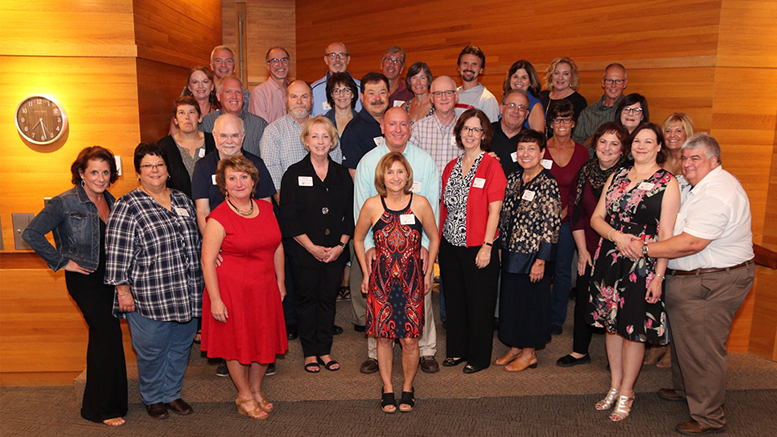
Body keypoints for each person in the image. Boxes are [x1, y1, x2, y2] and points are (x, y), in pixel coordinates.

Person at [629, 133, 754, 436]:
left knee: (702, 350)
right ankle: (686, 390)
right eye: (684, 158)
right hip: (697, 280)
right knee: (686, 341)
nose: (687, 164)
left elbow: (690, 243)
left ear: (714, 160)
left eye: (695, 158)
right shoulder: (694, 184)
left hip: (712, 281)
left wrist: (644, 249)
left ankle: (709, 417)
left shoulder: (718, 193)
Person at [22, 146, 127, 427]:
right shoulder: (65, 202)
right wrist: (61, 261)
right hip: (84, 279)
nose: (101, 178)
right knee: (106, 333)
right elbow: (31, 233)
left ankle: (108, 403)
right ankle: (100, 409)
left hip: (109, 278)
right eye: (94, 171)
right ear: (81, 173)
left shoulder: (112, 200)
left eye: (106, 172)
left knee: (109, 335)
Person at [587, 123, 680, 422]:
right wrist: (617, 236)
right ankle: (615, 385)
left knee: (633, 330)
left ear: (659, 147)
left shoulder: (668, 182)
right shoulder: (617, 175)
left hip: (643, 265)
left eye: (648, 141)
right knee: (612, 326)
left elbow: (666, 233)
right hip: (611, 259)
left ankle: (628, 391)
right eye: (637, 140)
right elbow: (596, 218)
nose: (641, 146)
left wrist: (659, 275)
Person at [105, 142, 204, 420]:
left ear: (167, 169)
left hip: (186, 291)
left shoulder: (183, 200)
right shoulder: (128, 204)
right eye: (147, 166)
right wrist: (123, 291)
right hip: (149, 295)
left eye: (159, 164)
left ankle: (172, 393)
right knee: (151, 351)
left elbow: (198, 239)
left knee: (181, 347)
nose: (154, 170)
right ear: (138, 172)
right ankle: (152, 397)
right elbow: (116, 250)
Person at [353, 108, 441, 375]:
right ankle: (375, 353)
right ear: (382, 127)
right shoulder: (368, 162)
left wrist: (425, 244)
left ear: (410, 127)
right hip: (379, 245)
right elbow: (363, 207)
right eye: (392, 124)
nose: (398, 129)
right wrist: (368, 246)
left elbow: (431, 207)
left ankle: (425, 350)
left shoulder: (424, 161)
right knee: (379, 303)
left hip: (415, 246)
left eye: (404, 124)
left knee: (419, 298)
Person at [200, 154, 288, 420]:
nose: (239, 183)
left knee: (264, 338)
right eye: (232, 178)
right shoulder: (218, 217)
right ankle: (243, 395)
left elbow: (277, 245)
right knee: (236, 343)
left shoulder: (268, 209)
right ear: (224, 185)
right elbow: (207, 260)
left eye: (244, 177)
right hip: (231, 290)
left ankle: (256, 389)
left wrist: (280, 282)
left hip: (264, 287)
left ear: (253, 181)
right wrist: (215, 299)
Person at [191, 113, 277, 376]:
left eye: (234, 135)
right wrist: (213, 247)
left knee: (257, 315)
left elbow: (268, 210)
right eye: (223, 135)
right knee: (232, 316)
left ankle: (258, 354)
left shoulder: (257, 163)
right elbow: (202, 210)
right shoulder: (204, 167)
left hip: (257, 254)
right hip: (224, 252)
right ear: (214, 137)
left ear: (243, 136)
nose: (229, 140)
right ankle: (233, 358)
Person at [280, 117, 353, 373]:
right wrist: (311, 247)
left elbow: (350, 214)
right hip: (304, 251)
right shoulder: (293, 174)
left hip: (335, 251)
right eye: (315, 136)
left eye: (325, 137)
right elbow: (289, 217)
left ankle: (325, 349)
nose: (320, 142)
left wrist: (341, 246)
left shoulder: (342, 175)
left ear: (332, 141)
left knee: (327, 300)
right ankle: (309, 352)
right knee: (307, 299)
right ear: (306, 140)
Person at [556, 122, 630, 368]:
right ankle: (579, 351)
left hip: (620, 249)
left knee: (618, 301)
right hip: (588, 244)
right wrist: (583, 251)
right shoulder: (585, 171)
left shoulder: (629, 175)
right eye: (603, 142)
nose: (607, 148)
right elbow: (576, 213)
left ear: (623, 150)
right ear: (595, 145)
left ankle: (617, 357)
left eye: (614, 143)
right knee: (585, 297)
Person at [439, 108, 506, 374]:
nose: (470, 133)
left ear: (484, 134)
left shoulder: (491, 165)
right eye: (466, 128)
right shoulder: (450, 167)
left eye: (476, 129)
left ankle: (478, 357)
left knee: (479, 303)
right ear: (459, 132)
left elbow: (495, 210)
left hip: (479, 246)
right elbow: (445, 206)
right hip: (450, 245)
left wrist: (488, 246)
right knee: (455, 300)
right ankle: (456, 350)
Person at [495, 129, 561, 372]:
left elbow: (551, 225)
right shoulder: (513, 178)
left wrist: (542, 260)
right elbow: (504, 217)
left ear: (542, 152)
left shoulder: (548, 183)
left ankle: (529, 353)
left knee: (531, 304)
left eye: (532, 149)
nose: (525, 153)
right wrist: (502, 247)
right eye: (521, 148)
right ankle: (514, 346)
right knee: (512, 303)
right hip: (511, 253)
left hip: (533, 257)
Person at [642, 112, 696, 370]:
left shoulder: (693, 164)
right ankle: (657, 344)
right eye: (669, 131)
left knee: (676, 297)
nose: (673, 136)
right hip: (657, 234)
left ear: (688, 135)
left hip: (683, 235)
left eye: (679, 131)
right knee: (657, 295)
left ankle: (672, 348)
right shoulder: (658, 161)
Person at [544, 100, 589, 336]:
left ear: (573, 124)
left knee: (562, 271)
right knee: (540, 266)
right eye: (557, 119)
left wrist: (561, 215)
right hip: (540, 221)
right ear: (551, 123)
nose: (562, 124)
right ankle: (538, 313)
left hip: (567, 221)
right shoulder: (540, 148)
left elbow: (579, 190)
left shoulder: (582, 153)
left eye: (567, 120)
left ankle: (556, 318)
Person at [158, 96, 216, 198]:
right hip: (177, 206)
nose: (187, 117)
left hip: (211, 205)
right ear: (175, 120)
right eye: (181, 113)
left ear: (200, 117)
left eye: (191, 112)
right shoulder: (164, 146)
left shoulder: (214, 141)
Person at [200, 75, 268, 157]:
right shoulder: (206, 123)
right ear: (218, 96)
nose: (234, 96)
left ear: (243, 96)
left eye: (238, 92)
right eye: (228, 92)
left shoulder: (259, 126)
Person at [341, 72, 390, 175]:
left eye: (382, 92)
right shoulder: (353, 131)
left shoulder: (394, 125)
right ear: (362, 97)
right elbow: (355, 176)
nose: (377, 98)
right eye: (371, 93)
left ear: (389, 94)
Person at [410, 76, 460, 176]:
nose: (444, 98)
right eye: (438, 94)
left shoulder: (466, 129)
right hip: (426, 191)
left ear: (456, 96)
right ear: (431, 98)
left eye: (449, 93)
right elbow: (410, 165)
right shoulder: (418, 129)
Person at [572, 64, 628, 148]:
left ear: (625, 84)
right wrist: (597, 137)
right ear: (603, 83)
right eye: (609, 81)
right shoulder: (587, 113)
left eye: (618, 81)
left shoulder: (632, 111)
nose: (613, 85)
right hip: (592, 160)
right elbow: (576, 146)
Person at [310, 42, 363, 116]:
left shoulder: (362, 89)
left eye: (342, 55)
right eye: (333, 55)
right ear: (326, 60)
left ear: (348, 60)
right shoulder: (313, 90)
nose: (337, 59)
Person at [489, 89, 530, 177]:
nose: (516, 111)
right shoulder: (484, 133)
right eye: (511, 105)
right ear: (501, 109)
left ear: (526, 114)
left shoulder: (531, 140)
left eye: (521, 107)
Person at [454, 45, 499, 122]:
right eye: (465, 63)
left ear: (481, 70)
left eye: (474, 64)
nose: (469, 68)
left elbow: (490, 132)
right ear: (459, 67)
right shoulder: (452, 94)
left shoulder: (487, 100)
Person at [248, 46, 290, 124]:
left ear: (289, 63)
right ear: (268, 66)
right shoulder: (259, 93)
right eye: (275, 61)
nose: (280, 64)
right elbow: (260, 129)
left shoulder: (295, 91)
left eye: (284, 60)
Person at [501, 60, 545, 132]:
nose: (519, 80)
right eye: (515, 76)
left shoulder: (535, 106)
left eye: (524, 77)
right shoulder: (506, 100)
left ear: (530, 82)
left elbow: (538, 139)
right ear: (510, 79)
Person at [209, 46, 250, 113]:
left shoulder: (246, 95)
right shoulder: (202, 92)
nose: (223, 65)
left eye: (228, 61)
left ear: (234, 67)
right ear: (211, 66)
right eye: (218, 61)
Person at [324, 72, 359, 137]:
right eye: (337, 91)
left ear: (352, 94)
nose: (341, 95)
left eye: (346, 90)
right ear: (332, 95)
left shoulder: (361, 121)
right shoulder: (324, 121)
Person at [661, 113, 694, 178]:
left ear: (687, 134)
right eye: (668, 131)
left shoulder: (693, 162)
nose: (672, 135)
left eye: (678, 131)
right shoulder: (657, 160)